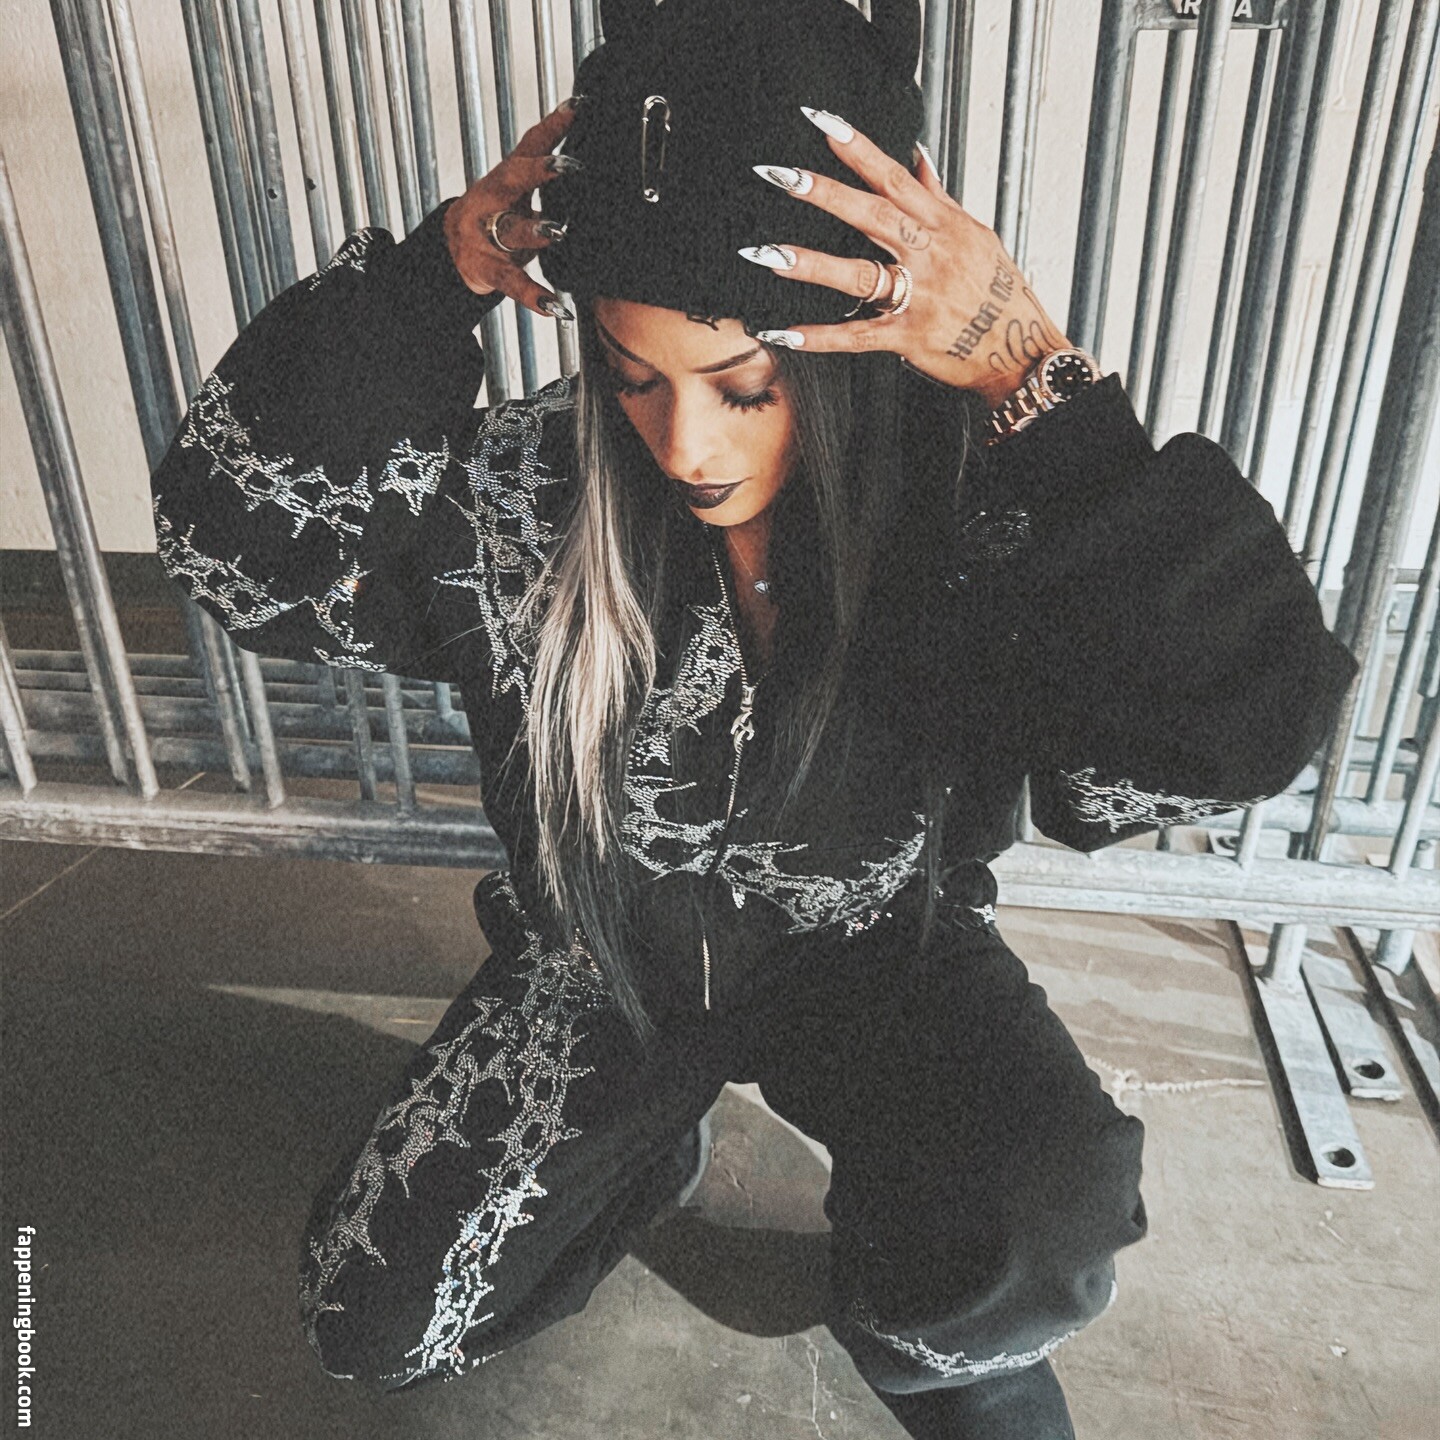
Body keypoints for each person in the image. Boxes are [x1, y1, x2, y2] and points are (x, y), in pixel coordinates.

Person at [148, 1, 1357, 1434]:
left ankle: (930, 1341)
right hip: (600, 967)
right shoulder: (535, 495)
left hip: (878, 955)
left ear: (844, 354)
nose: (685, 443)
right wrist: (429, 280)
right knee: (374, 1322)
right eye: (633, 377)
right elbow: (239, 555)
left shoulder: (967, 508)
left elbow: (1242, 724)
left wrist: (1038, 381)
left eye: (746, 387)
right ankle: (645, 1156)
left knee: (1041, 1199)